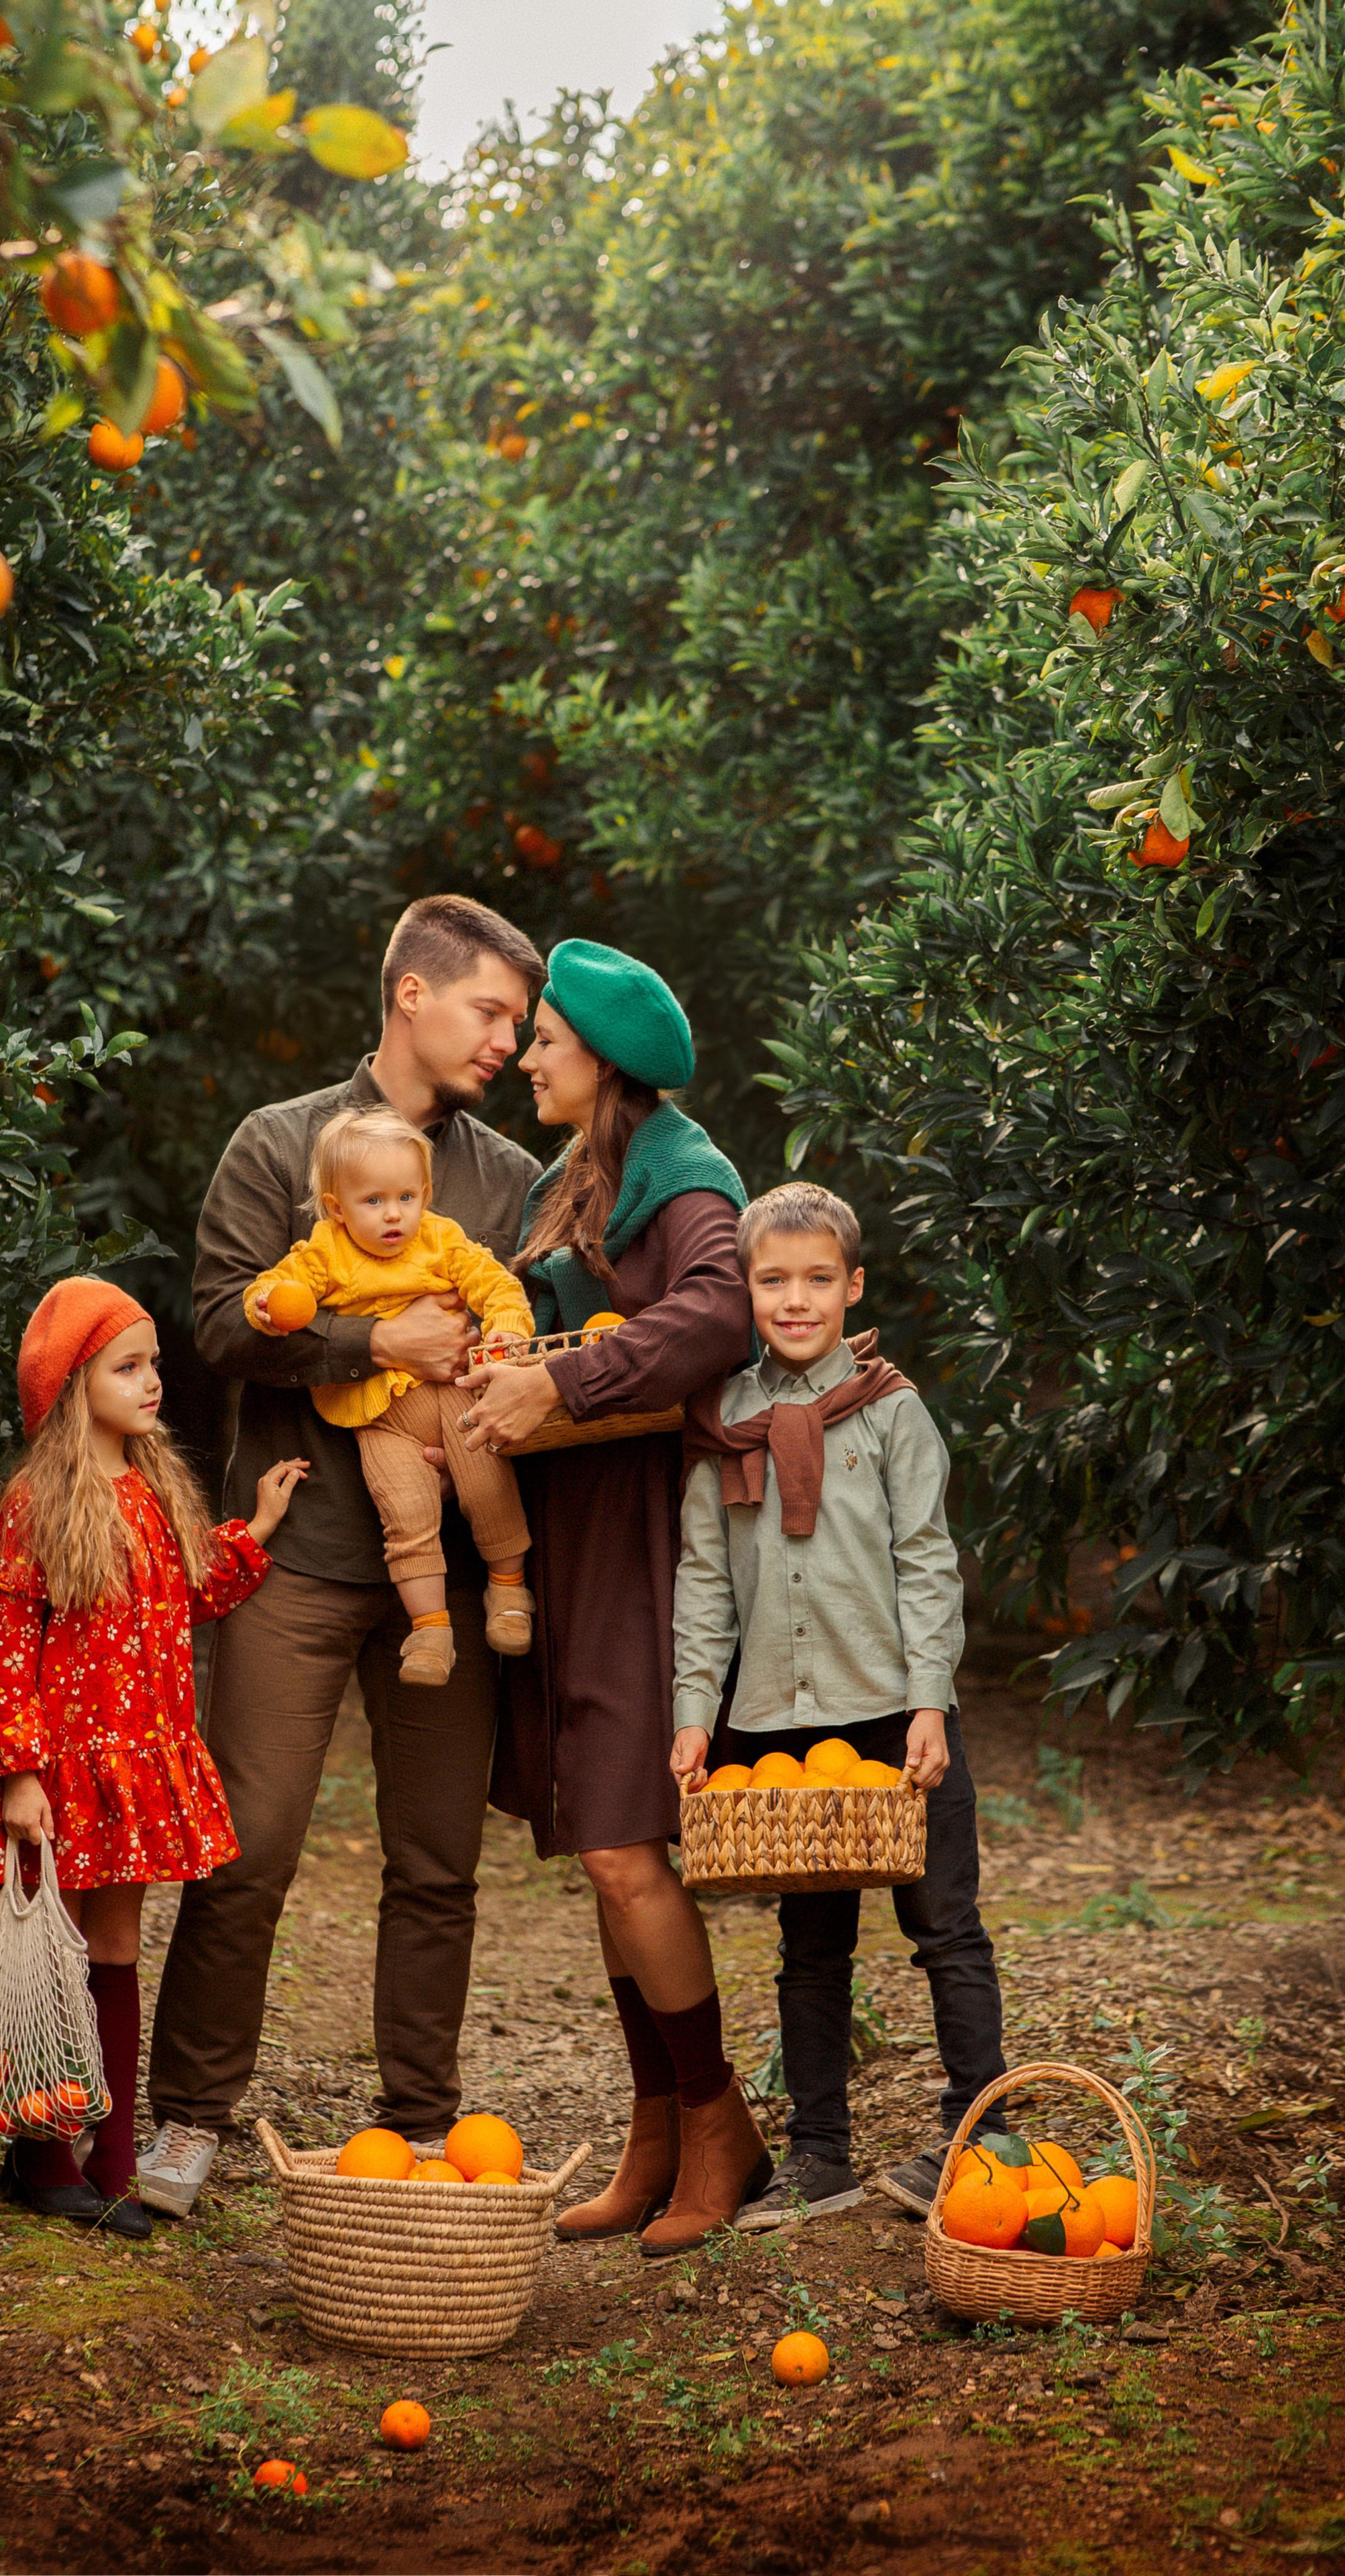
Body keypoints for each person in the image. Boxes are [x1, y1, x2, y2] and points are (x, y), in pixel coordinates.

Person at [143, 894, 544, 2218]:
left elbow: (534, 1339)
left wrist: (492, 1374)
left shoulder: (504, 1180)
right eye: (490, 1012)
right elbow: (212, 1323)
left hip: (448, 1582)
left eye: (520, 1022)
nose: (507, 1040)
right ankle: (191, 2119)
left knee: (435, 1860)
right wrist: (373, 1347)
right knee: (246, 1847)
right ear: (411, 996)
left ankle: (417, 2127)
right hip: (303, 1558)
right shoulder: (276, 1147)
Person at [455, 938, 766, 2259]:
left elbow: (720, 1315)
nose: (528, 1056)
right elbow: (536, 1323)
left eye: (547, 1040)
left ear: (604, 1058)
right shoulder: (560, 1183)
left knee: (627, 1841)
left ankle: (717, 2123)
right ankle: (655, 2122)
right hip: (569, 1534)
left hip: (650, 1536)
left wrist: (567, 1383)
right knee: (598, 1838)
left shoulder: (686, 1180)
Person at [673, 1180, 1008, 2228]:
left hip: (894, 1708)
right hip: (779, 1724)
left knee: (944, 1924)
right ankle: (822, 2155)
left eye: (819, 1279)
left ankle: (979, 2127)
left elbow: (926, 1564)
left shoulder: (894, 1412)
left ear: (852, 1285)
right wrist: (696, 1710)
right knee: (810, 1947)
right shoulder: (727, 1419)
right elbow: (704, 1578)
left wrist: (927, 1700)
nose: (796, 1299)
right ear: (747, 1290)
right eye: (774, 1280)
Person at [0, 1277, 306, 2238]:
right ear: (74, 1385)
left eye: (154, 1362)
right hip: (66, 1770)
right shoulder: (38, 1504)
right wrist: (19, 1770)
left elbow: (178, 1599)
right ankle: (40, 2152)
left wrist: (254, 1534)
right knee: (54, 1956)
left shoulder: (152, 1491)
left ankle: (108, 2159)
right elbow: (8, 1650)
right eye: (130, 1365)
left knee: (113, 1951)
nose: (154, 1382)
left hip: (140, 1766)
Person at [244, 1104, 537, 1687]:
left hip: (454, 1394)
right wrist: (269, 1305)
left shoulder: (440, 1238)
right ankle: (430, 1629)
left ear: (425, 1194)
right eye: (372, 1202)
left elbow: (496, 1282)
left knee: (487, 1483)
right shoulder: (328, 1249)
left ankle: (509, 1592)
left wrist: (506, 1326)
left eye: (407, 1197)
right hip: (380, 1415)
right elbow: (282, 1284)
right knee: (405, 1514)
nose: (394, 1214)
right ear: (336, 1209)